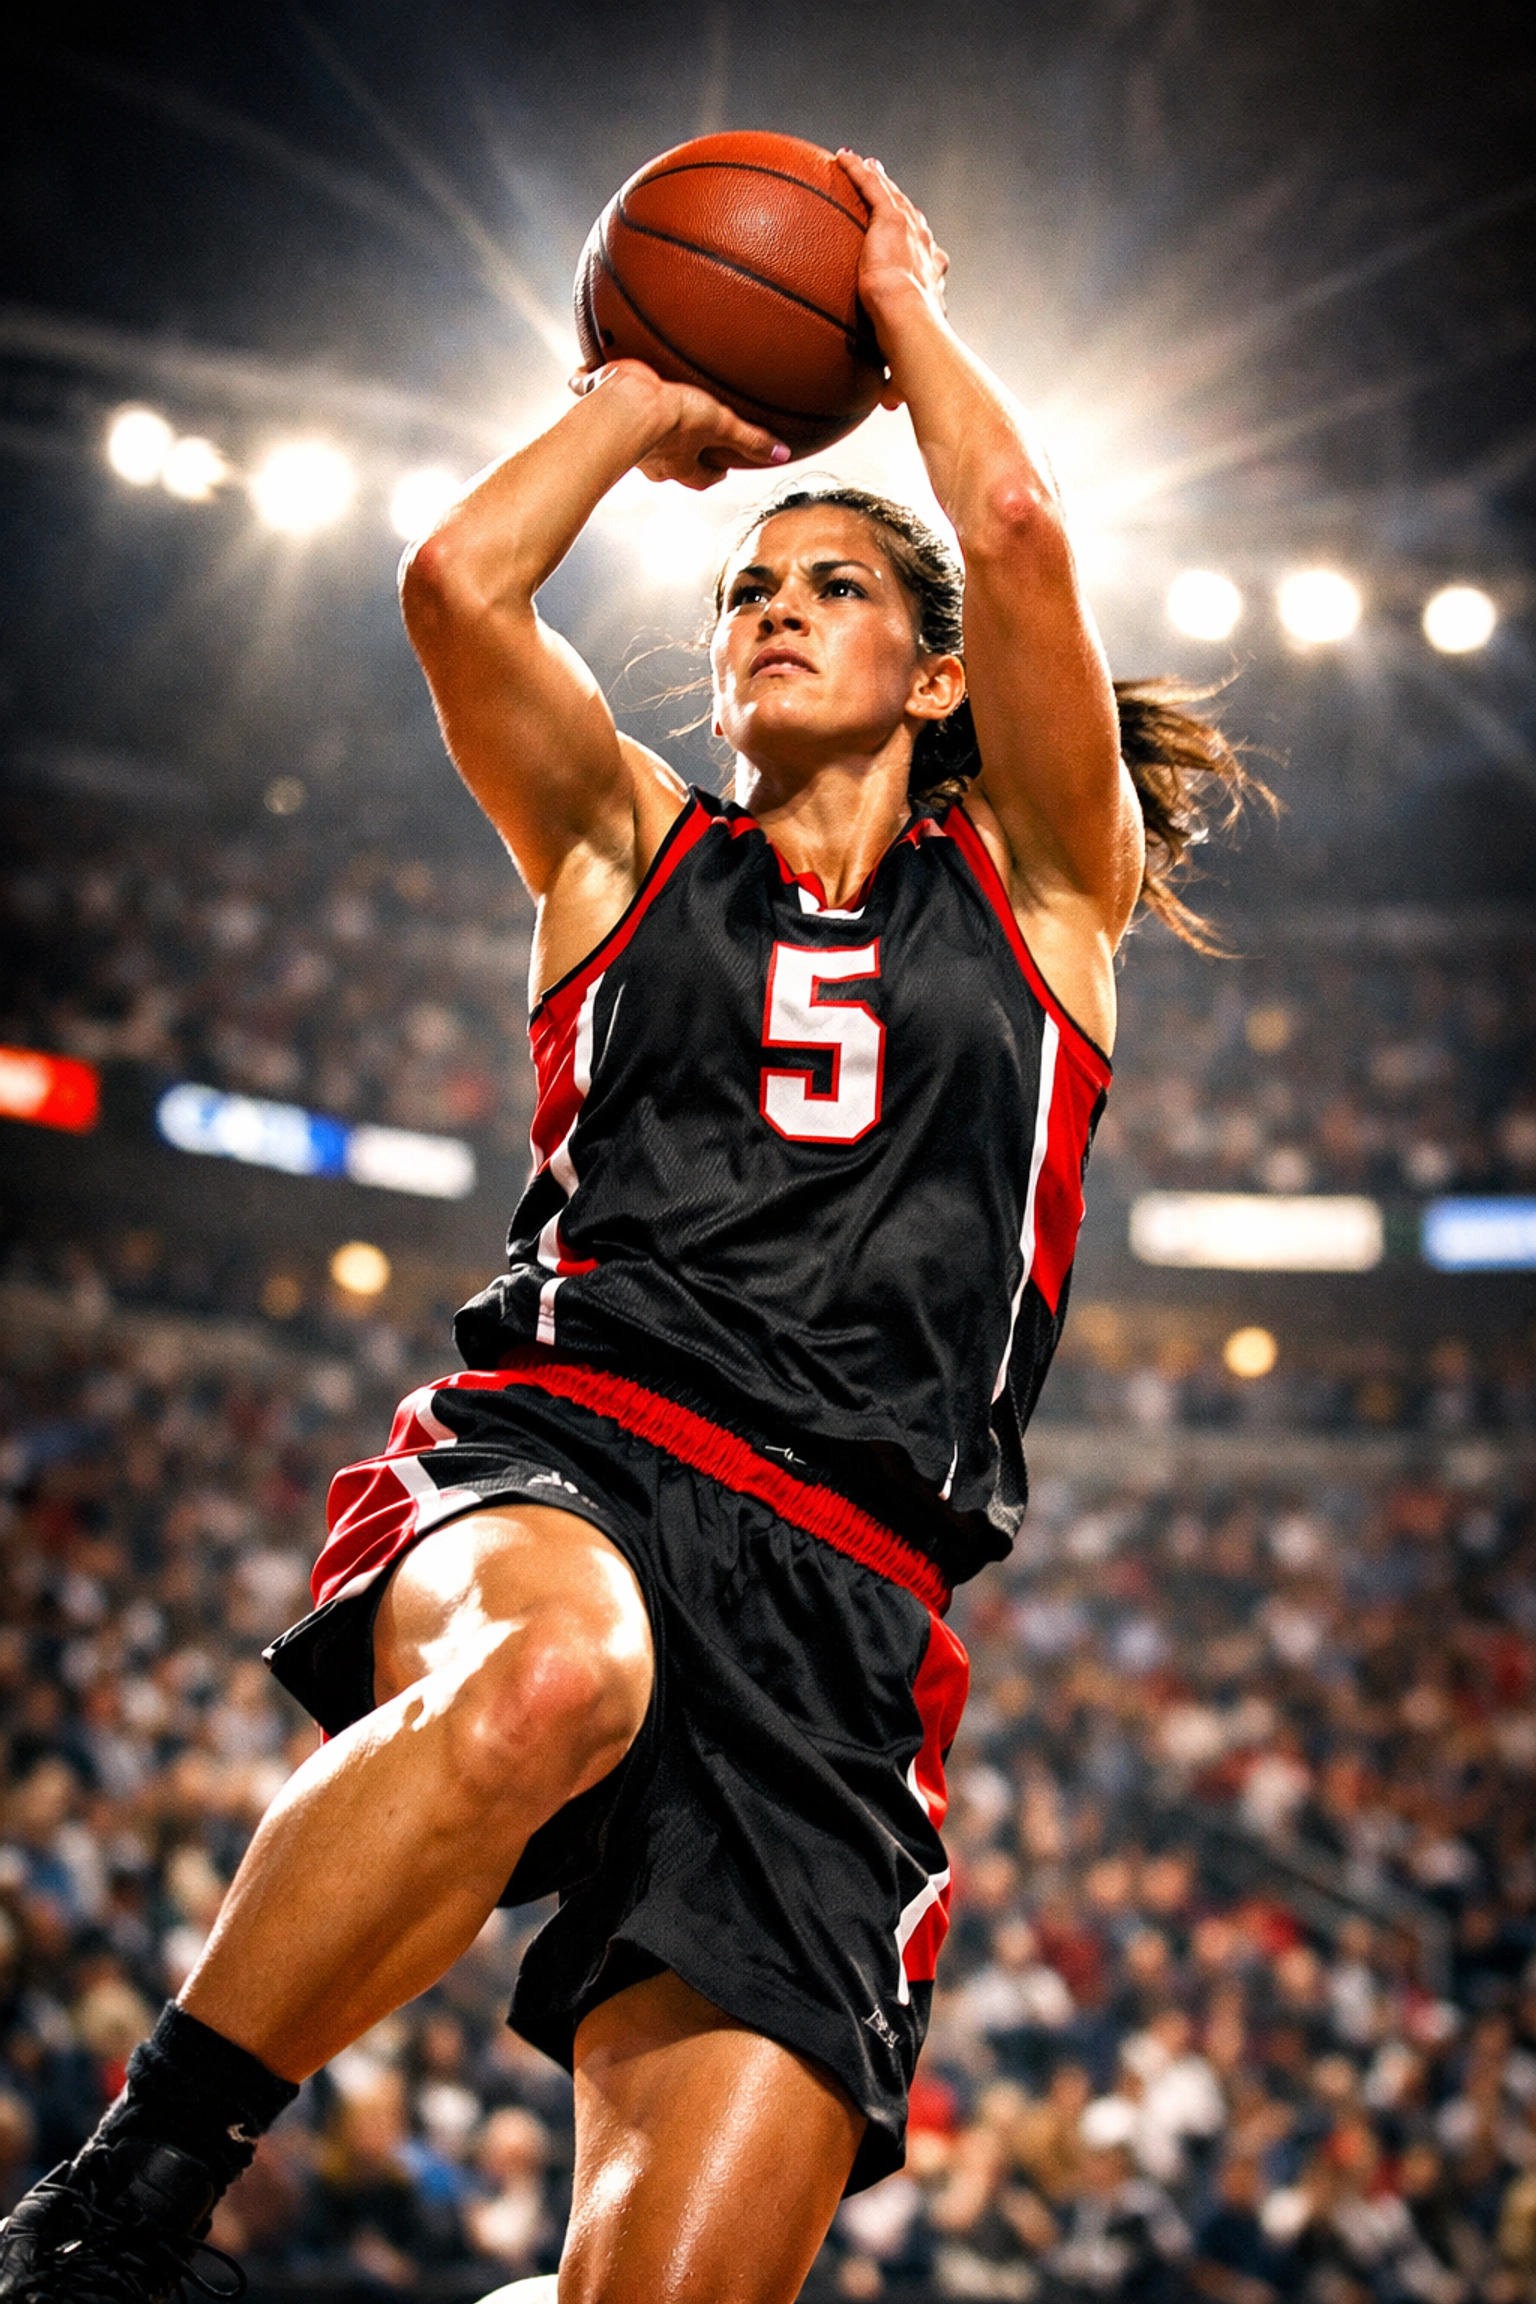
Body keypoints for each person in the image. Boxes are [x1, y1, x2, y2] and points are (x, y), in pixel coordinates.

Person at [0, 151, 1252, 2304]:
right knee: (547, 1680)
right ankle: (123, 2203)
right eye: (744, 587)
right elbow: (456, 586)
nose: (767, 607)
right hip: (574, 1452)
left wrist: (901, 310)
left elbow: (1021, 531)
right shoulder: (624, 846)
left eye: (832, 585)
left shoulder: (1052, 891)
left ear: (938, 680)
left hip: (848, 1614)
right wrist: (640, 400)